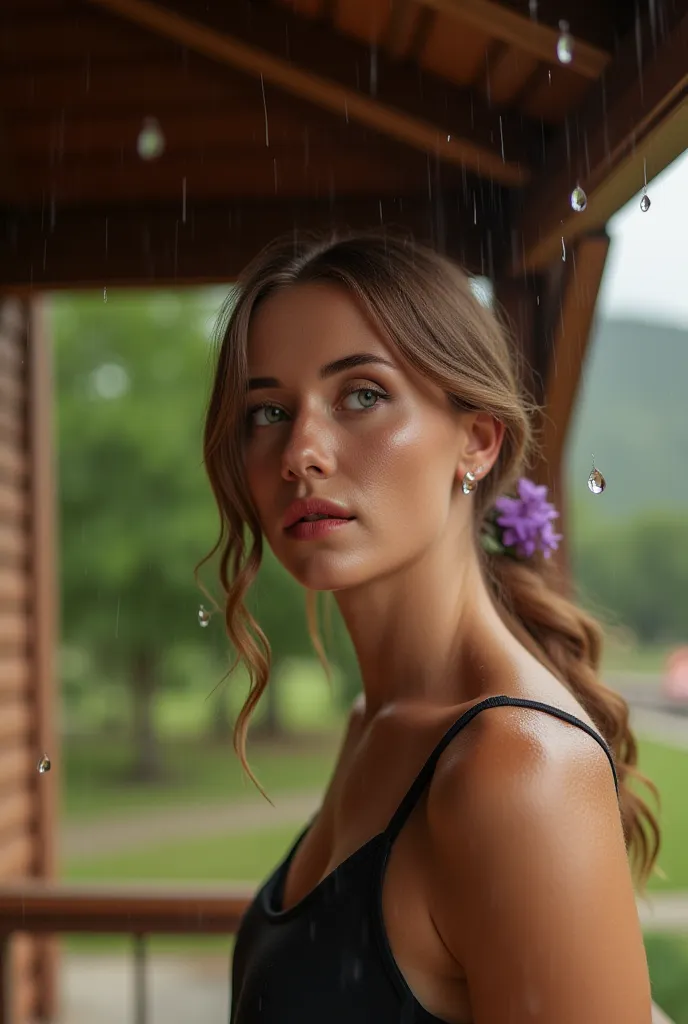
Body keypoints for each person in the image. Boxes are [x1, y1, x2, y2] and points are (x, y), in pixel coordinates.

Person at [198, 232, 660, 1023]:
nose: (300, 453)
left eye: (362, 395)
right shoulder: (373, 725)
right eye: (268, 411)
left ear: (476, 441)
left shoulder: (517, 771)